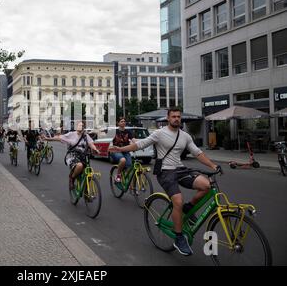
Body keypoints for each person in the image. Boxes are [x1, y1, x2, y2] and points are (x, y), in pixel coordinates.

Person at [109, 107, 220, 256]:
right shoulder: (159, 134)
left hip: (180, 169)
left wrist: (213, 165)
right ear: (168, 118)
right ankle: (179, 237)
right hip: (165, 172)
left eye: (178, 117)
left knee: (206, 185)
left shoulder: (185, 136)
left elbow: (198, 153)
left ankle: (189, 207)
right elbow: (140, 144)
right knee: (178, 201)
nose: (176, 119)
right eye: (173, 116)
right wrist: (121, 149)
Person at [42, 121, 100, 190]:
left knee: (89, 173)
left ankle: (86, 191)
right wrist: (47, 138)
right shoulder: (71, 134)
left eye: (82, 126)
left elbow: (91, 144)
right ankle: (72, 178)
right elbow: (59, 138)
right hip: (73, 156)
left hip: (83, 156)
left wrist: (95, 149)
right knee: (80, 165)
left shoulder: (85, 136)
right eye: (79, 125)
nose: (81, 127)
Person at [110, 117, 134, 183]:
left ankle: (126, 182)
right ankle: (118, 175)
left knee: (129, 167)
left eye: (124, 121)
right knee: (123, 160)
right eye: (121, 121)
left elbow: (134, 140)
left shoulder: (128, 132)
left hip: (125, 151)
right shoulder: (114, 132)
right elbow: (108, 141)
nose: (123, 122)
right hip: (116, 151)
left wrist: (140, 144)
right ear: (118, 123)